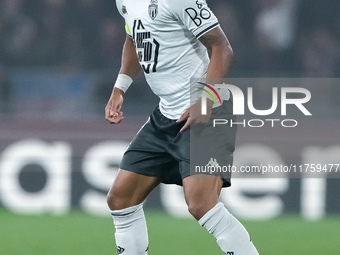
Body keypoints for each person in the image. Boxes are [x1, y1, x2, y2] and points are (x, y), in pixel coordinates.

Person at [105, 0, 259, 254]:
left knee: (202, 205)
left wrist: (206, 100)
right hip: (166, 116)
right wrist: (120, 87)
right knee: (121, 199)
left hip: (206, 112)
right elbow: (134, 38)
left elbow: (222, 47)